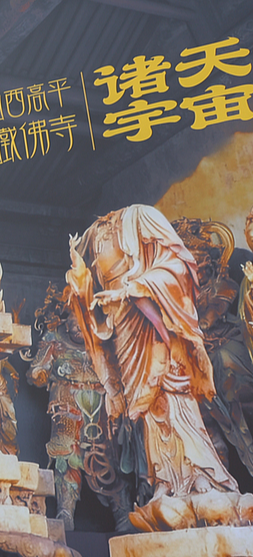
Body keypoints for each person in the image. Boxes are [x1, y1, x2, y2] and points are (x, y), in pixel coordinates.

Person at [67, 204, 238, 531]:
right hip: (124, 323)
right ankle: (165, 480)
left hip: (153, 321)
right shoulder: (93, 235)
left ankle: (202, 476)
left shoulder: (139, 216)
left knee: (173, 399)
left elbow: (178, 264)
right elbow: (89, 294)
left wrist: (137, 287)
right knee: (147, 414)